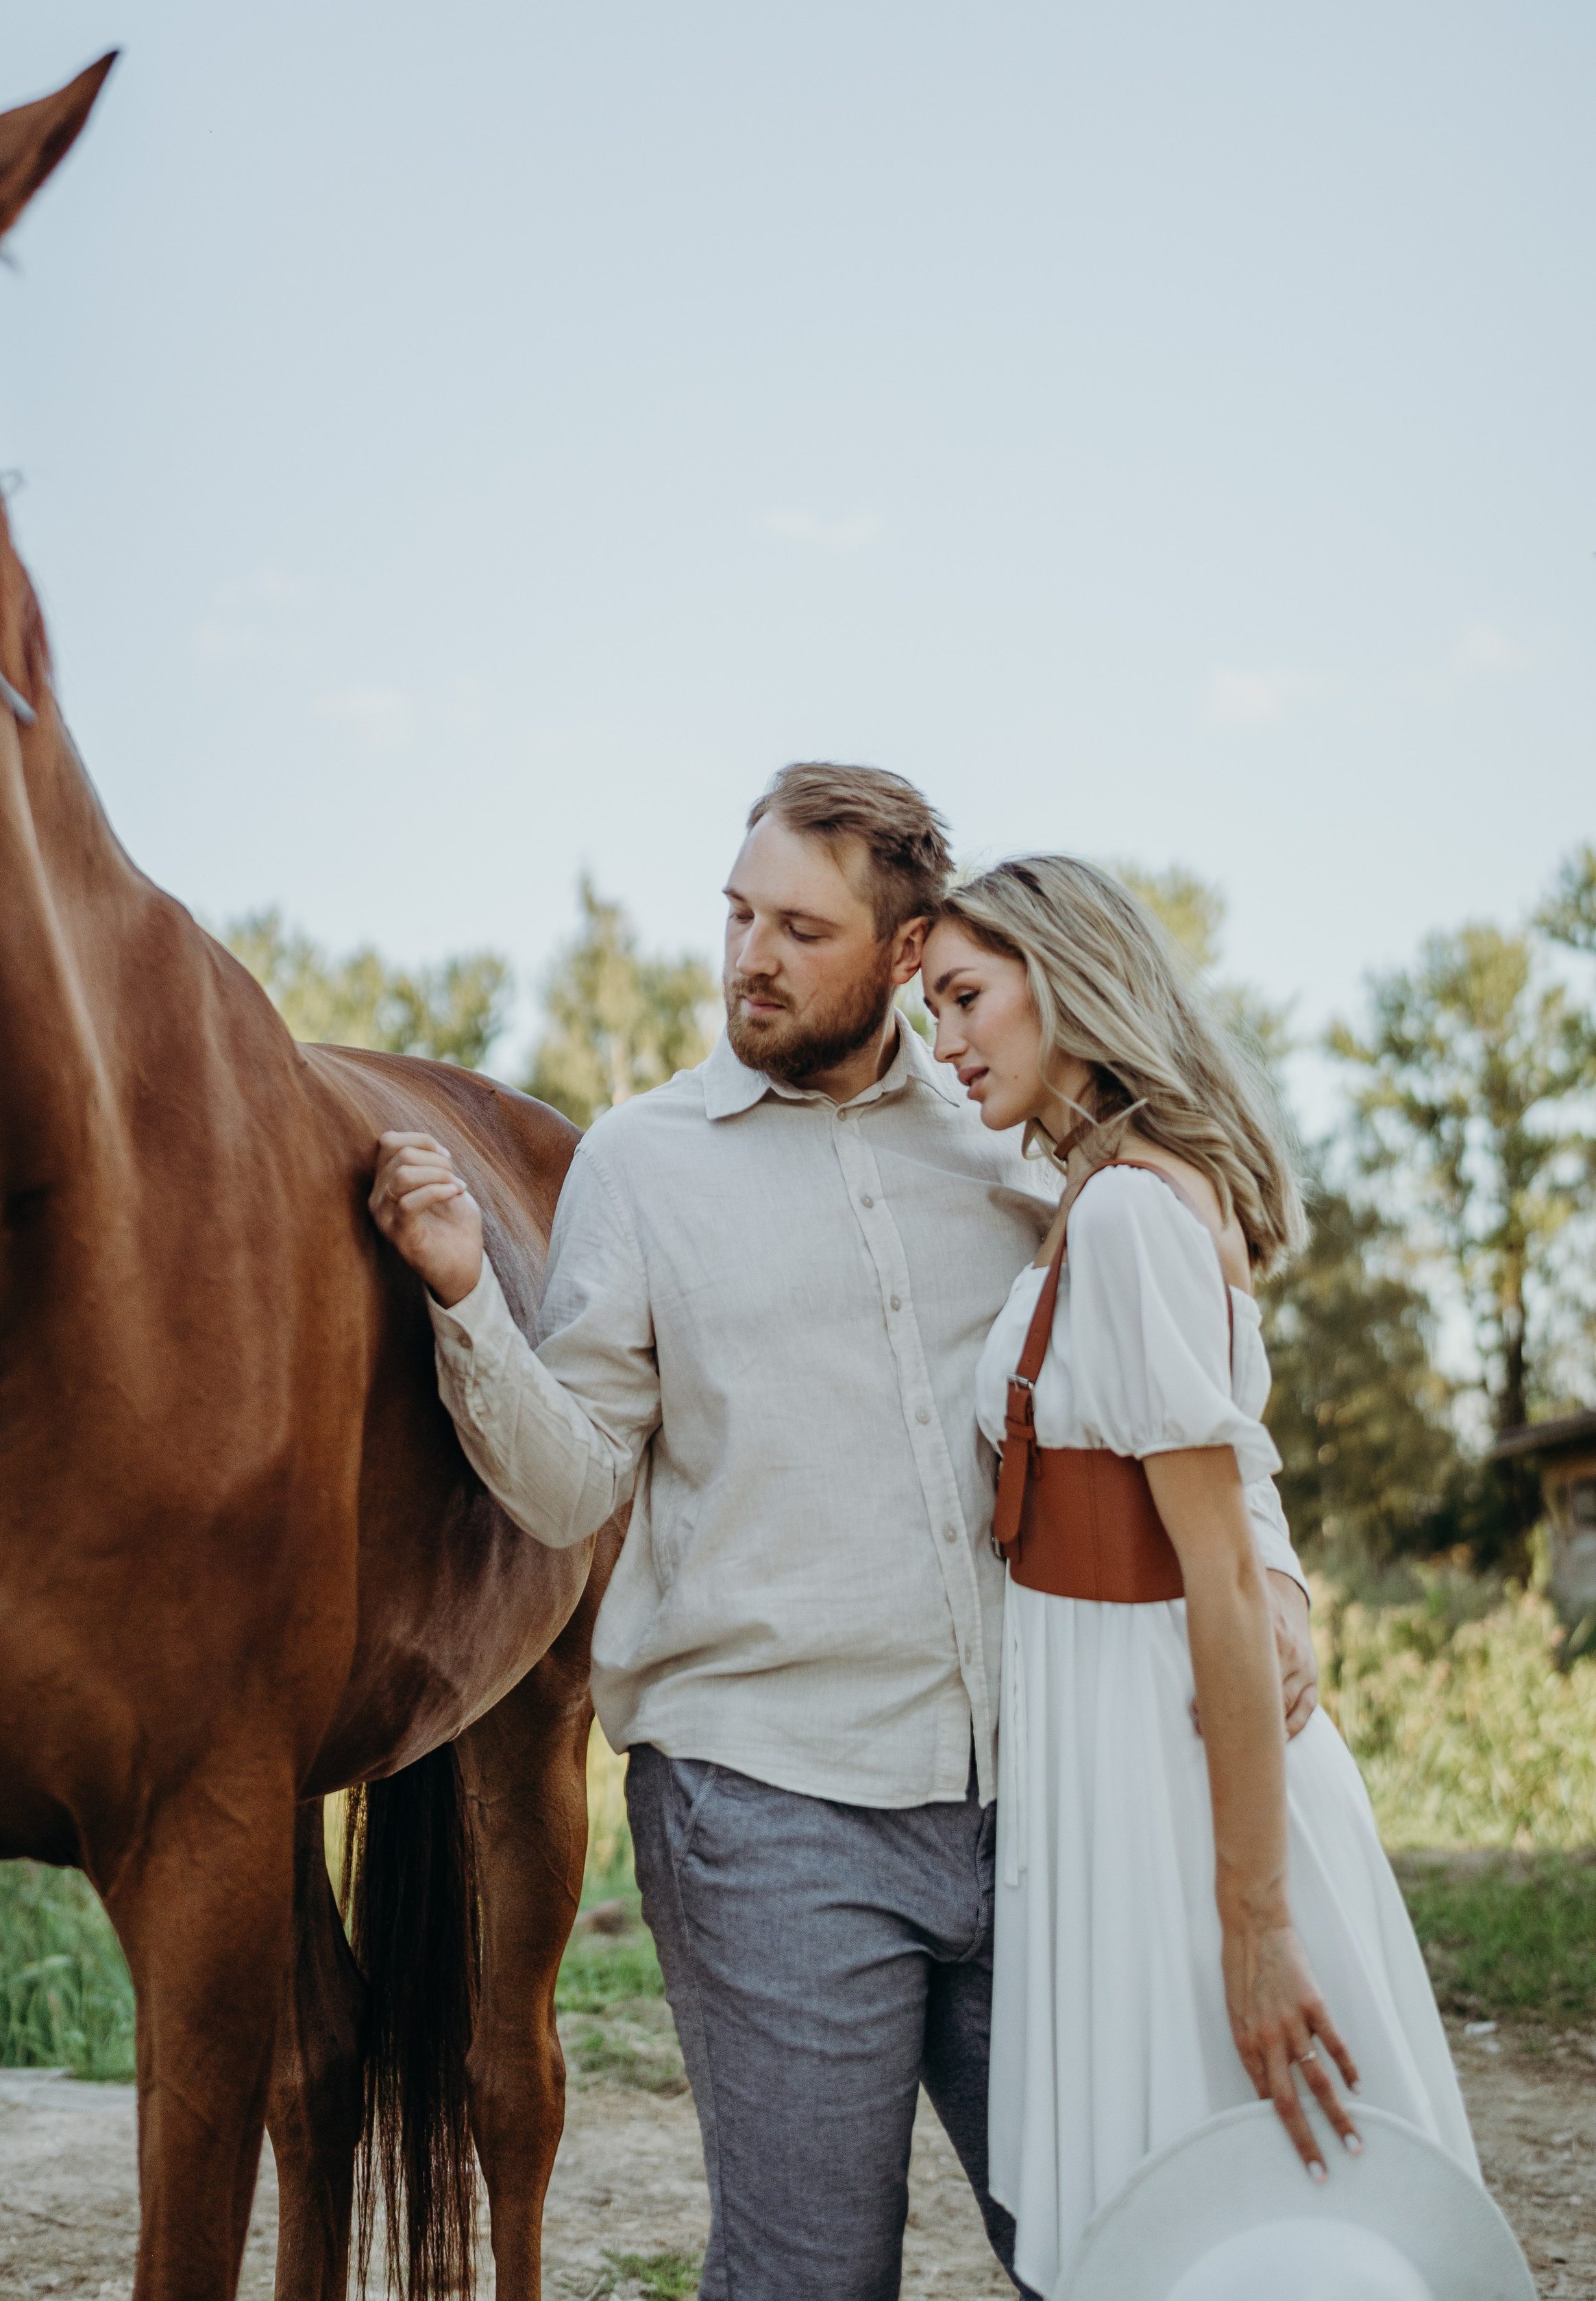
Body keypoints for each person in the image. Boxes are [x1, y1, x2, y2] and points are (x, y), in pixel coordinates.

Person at [368, 766, 1319, 2301]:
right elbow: (566, 1488)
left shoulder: (1008, 1131)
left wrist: (1264, 1562)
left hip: (1042, 1796)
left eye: (798, 927)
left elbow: (1171, 1378)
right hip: (766, 1811)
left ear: (899, 951)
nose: (747, 954)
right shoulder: (640, 1163)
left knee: (1105, 2248)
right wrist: (468, 1295)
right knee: (809, 2275)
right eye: (736, 913)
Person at [920, 855, 1478, 2300]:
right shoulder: (1106, 1198)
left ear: (1069, 982)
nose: (948, 1041)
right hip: (1111, 1759)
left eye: (967, 999)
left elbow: (1218, 1580)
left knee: (1244, 2197)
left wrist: (1251, 1921)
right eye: (931, 1013)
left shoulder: (1123, 1219)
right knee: (1192, 2215)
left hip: (1166, 1776)